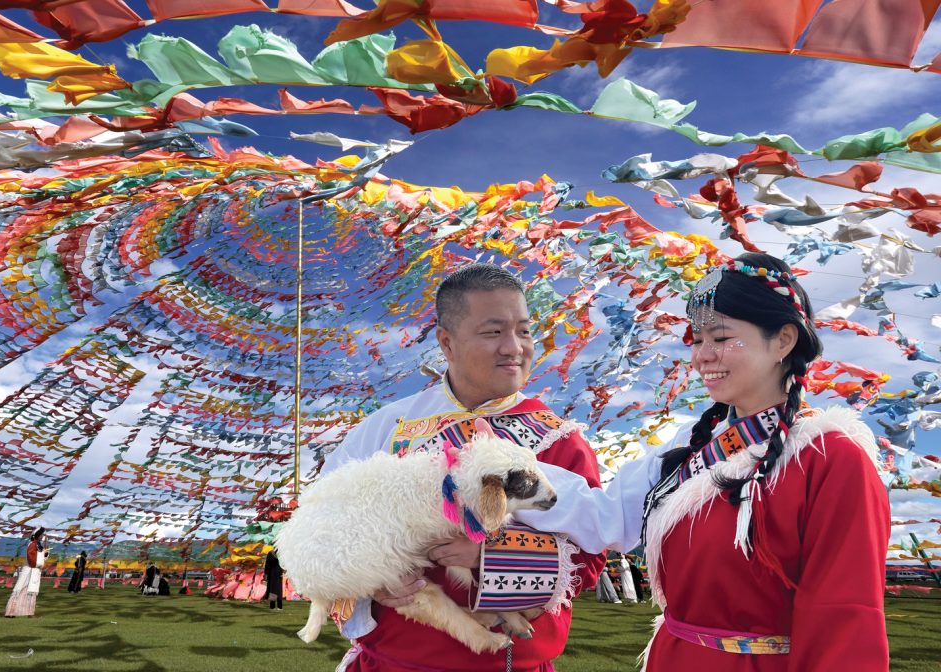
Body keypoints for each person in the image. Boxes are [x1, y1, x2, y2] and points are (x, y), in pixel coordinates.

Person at [517, 252, 890, 670]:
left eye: (722, 337)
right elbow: (603, 516)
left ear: (783, 341)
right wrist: (499, 469)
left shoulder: (830, 458)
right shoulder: (687, 446)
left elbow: (844, 618)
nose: (703, 356)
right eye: (698, 340)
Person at [321, 263, 605, 672]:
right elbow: (322, 521)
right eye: (493, 332)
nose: (514, 347)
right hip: (389, 663)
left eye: (524, 331)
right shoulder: (387, 428)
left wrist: (491, 557)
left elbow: (590, 557)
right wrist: (370, 576)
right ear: (447, 343)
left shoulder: (559, 440)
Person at [4, 528, 45, 617]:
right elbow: (31, 558)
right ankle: (11, 612)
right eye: (41, 535)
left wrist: (44, 555)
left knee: (30, 591)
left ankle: (29, 612)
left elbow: (38, 556)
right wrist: (38, 563)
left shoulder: (37, 545)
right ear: (37, 535)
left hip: (34, 571)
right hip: (29, 570)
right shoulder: (32, 544)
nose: (42, 536)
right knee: (21, 588)